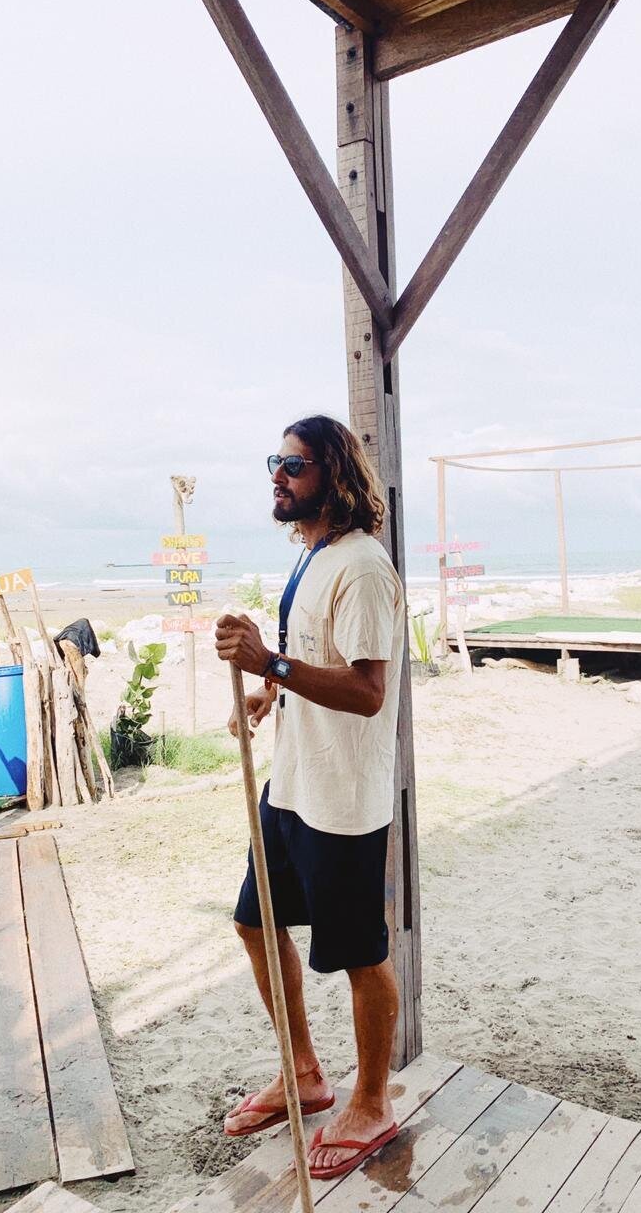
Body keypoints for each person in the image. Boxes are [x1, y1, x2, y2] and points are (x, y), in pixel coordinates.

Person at [214, 414, 406, 1180]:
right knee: (254, 922)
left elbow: (367, 690)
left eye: (293, 465)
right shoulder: (314, 556)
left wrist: (271, 663)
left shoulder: (362, 566)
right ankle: (303, 1074)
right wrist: (272, 692)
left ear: (333, 473)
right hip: (292, 786)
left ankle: (373, 1102)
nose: (278, 475)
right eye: (276, 463)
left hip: (342, 800)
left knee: (361, 955)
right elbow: (312, 658)